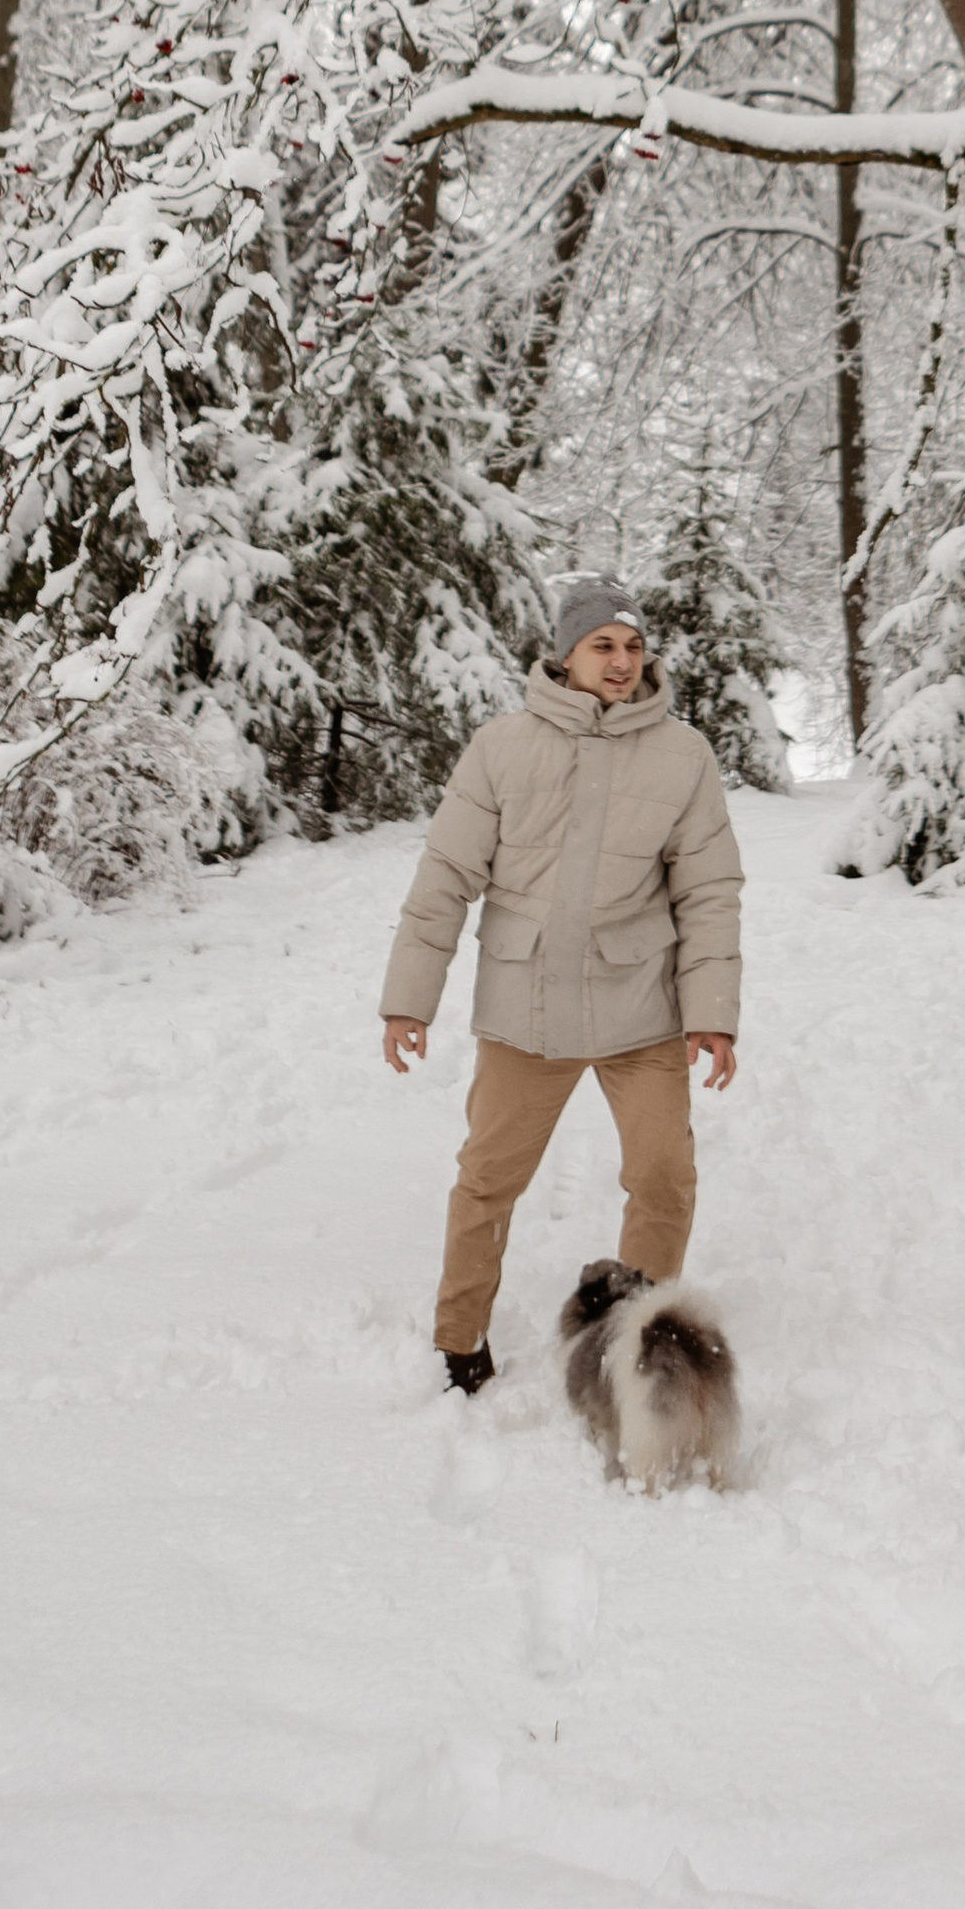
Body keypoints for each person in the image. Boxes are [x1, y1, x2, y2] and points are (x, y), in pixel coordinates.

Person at [381, 570, 743, 1393]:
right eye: (602, 646)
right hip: (525, 1009)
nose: (621, 663)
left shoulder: (683, 755)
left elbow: (710, 891)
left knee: (664, 1176)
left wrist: (713, 1014)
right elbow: (444, 877)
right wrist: (410, 999)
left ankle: (638, 1329)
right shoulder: (502, 748)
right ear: (565, 655)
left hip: (640, 1006)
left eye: (633, 646)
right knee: (487, 1179)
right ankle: (459, 1340)